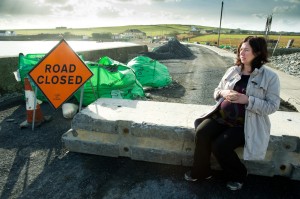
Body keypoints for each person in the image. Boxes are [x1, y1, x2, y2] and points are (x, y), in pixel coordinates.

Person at [184, 36, 280, 191]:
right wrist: (224, 92)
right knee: (201, 132)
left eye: (246, 50)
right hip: (221, 116)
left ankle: (239, 174)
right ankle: (201, 172)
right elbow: (216, 91)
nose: (242, 53)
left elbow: (272, 106)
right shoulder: (232, 70)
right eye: (240, 49)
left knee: (220, 146)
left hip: (245, 124)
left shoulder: (270, 77)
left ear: (257, 52)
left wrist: (247, 100)